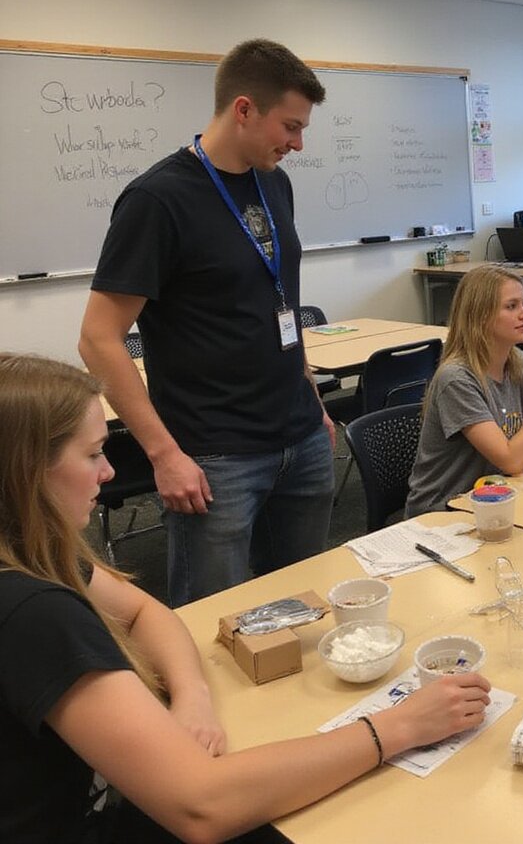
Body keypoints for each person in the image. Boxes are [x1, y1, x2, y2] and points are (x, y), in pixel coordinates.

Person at [0, 353, 490, 844]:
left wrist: (191, 697)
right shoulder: (34, 612)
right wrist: (399, 726)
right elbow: (203, 806)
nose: (108, 473)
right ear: (25, 470)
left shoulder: (31, 552)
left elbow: (146, 610)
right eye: (91, 455)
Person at [79, 40, 336, 606]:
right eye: (290, 126)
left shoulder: (275, 182)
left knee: (300, 607)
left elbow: (278, 305)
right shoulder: (158, 199)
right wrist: (164, 454)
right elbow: (98, 338)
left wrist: (312, 398)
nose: (298, 143)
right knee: (216, 622)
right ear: (243, 109)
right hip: (216, 455)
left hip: (299, 435)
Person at [405, 265, 523, 517]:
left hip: (493, 497)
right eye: (511, 306)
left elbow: (522, 436)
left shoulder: (516, 363)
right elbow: (512, 461)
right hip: (443, 510)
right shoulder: (457, 379)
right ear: (480, 316)